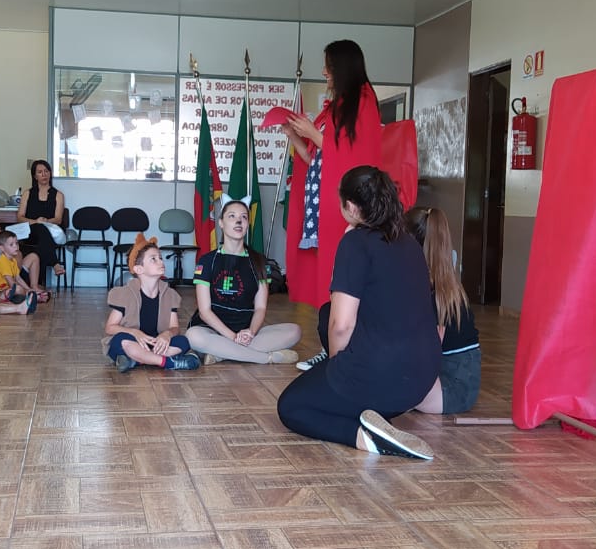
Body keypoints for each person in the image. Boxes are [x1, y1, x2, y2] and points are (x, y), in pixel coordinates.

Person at [277, 166, 440, 460]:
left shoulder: (355, 243)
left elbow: (342, 325)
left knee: (292, 406)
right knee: (326, 315)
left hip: (380, 375)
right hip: (420, 381)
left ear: (351, 207)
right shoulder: (410, 243)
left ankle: (364, 438)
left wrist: (336, 366)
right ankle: (375, 418)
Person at [282, 39, 384, 327]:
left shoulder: (363, 101)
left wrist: (313, 133)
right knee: (324, 271)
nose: (324, 72)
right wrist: (294, 135)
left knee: (340, 270)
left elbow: (356, 157)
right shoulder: (337, 107)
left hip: (343, 206)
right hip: (322, 205)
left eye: (329, 65)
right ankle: (329, 338)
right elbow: (315, 157)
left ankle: (341, 338)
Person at [185, 198, 300, 365]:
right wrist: (232, 337)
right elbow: (204, 312)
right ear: (221, 223)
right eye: (232, 216)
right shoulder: (207, 261)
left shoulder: (260, 262)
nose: (239, 221)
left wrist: (251, 332)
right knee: (193, 336)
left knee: (294, 331)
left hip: (245, 331)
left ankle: (221, 353)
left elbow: (260, 308)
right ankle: (266, 358)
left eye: (244, 217)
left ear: (247, 224)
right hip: (212, 330)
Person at [404, 206, 480, 414]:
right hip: (453, 385)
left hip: (450, 392)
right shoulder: (443, 287)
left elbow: (425, 355)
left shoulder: (431, 296)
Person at [102, 233, 201, 372]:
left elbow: (174, 328)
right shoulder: (124, 294)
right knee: (120, 340)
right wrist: (135, 333)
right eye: (153, 259)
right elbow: (110, 328)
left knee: (183, 341)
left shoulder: (170, 295)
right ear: (138, 269)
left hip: (155, 343)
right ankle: (167, 362)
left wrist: (167, 334)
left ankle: (137, 360)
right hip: (133, 341)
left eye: (160, 258)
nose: (160, 261)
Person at [12, 159, 67, 281]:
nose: (44, 174)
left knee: (43, 235)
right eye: (40, 172)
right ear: (34, 176)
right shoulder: (27, 193)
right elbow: (20, 217)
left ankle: (36, 282)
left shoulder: (58, 195)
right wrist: (36, 222)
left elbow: (58, 219)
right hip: (30, 232)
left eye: (46, 171)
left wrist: (45, 222)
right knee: (40, 228)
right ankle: (55, 263)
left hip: (51, 231)